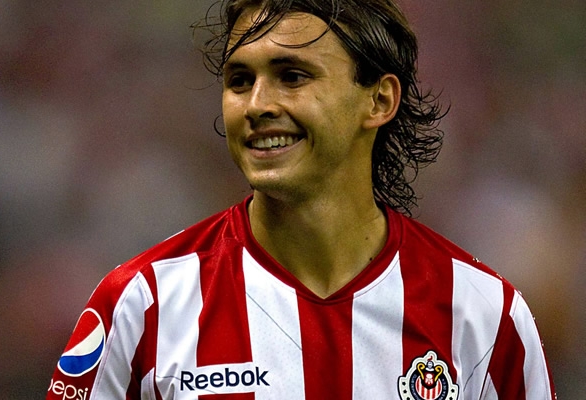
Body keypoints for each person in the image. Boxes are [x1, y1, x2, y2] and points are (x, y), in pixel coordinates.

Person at [46, 0, 556, 399]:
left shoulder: (484, 315)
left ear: (379, 99)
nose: (256, 105)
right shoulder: (141, 306)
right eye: (240, 81)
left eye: (292, 76)